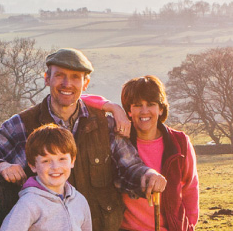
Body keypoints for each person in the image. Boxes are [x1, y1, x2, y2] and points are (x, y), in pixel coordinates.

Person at [0, 48, 166, 231]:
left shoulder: (104, 124)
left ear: (86, 83)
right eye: (59, 75)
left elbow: (130, 166)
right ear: (47, 79)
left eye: (75, 77)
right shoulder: (22, 124)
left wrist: (148, 176)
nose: (67, 83)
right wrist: (2, 166)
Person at [82, 75, 199, 231]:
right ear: (129, 111)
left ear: (161, 108)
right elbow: (78, 98)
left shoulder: (179, 142)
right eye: (137, 105)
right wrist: (113, 107)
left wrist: (189, 224)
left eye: (151, 104)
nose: (144, 111)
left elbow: (190, 188)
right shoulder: (120, 138)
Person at [0, 124, 92, 231]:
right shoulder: (28, 204)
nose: (55, 167)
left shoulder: (80, 201)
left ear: (72, 161)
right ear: (33, 166)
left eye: (62, 159)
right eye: (46, 161)